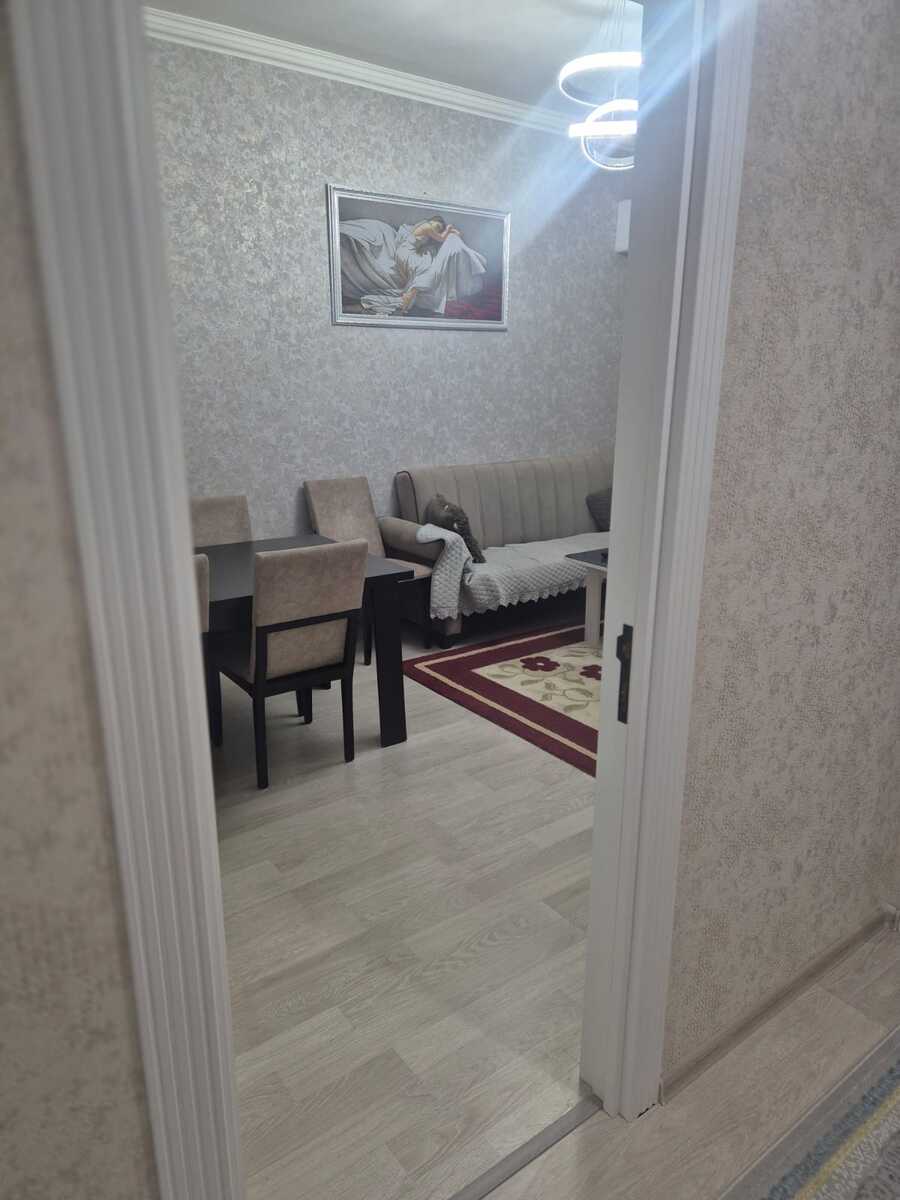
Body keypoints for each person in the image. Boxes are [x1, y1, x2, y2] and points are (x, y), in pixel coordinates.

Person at [339, 213, 487, 316]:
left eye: (438, 227)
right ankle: (410, 292)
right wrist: (449, 229)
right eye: (437, 225)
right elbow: (441, 239)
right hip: (406, 253)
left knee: (420, 271)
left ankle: (408, 292)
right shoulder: (428, 227)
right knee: (423, 270)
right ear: (433, 221)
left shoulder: (422, 225)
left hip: (404, 251)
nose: (436, 229)